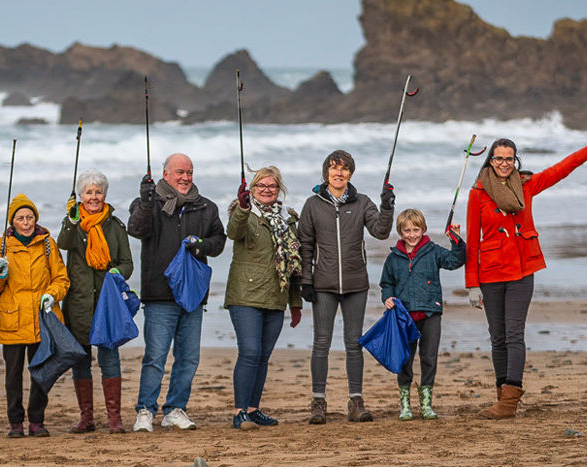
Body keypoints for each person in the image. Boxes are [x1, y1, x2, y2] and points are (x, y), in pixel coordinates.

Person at [467, 128, 587, 419]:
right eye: (499, 159)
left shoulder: (527, 185)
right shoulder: (478, 193)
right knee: (497, 337)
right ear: (490, 161)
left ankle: (509, 401)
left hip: (523, 270)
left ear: (515, 160)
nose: (504, 164)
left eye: (509, 159)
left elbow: (562, 169)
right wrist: (472, 284)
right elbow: (473, 241)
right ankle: (501, 395)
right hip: (492, 273)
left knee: (514, 334)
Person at [127, 153, 226, 432]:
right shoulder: (149, 204)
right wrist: (147, 201)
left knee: (189, 358)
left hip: (193, 296)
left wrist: (200, 245)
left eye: (189, 172)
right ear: (166, 174)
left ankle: (175, 409)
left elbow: (219, 241)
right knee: (155, 357)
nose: (185, 177)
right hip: (159, 294)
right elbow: (136, 229)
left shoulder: (206, 207)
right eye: (180, 172)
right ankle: (145, 410)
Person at [298, 150, 394, 424]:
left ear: (350, 173)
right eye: (334, 168)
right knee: (321, 343)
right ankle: (318, 402)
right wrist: (306, 280)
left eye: (344, 169)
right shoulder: (312, 205)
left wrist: (387, 207)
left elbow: (380, 232)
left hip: (355, 284)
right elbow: (305, 245)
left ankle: (356, 401)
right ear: (326, 172)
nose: (338, 173)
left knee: (354, 343)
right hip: (324, 284)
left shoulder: (362, 202)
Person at [0, 194, 70, 438]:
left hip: (42, 319)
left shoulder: (48, 244)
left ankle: (36, 420)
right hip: (11, 319)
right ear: (13, 222)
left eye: (30, 217)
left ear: (36, 219)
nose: (26, 222)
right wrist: (0, 275)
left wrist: (51, 294)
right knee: (13, 374)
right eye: (21, 218)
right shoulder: (2, 246)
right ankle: (15, 423)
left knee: (41, 372)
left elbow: (61, 279)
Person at [224, 167, 302, 428]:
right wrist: (243, 208)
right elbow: (233, 232)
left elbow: (293, 263)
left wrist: (295, 303)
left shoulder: (287, 218)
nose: (267, 190)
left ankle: (253, 408)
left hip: (276, 296)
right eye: (261, 185)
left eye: (272, 186)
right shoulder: (244, 214)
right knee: (250, 351)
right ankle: (239, 413)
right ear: (252, 189)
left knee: (263, 355)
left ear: (279, 189)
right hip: (245, 295)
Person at [58, 170, 134, 434]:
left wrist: (116, 272)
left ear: (104, 195)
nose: (93, 197)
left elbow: (128, 264)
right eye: (88, 192)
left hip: (107, 304)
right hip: (78, 304)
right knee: (80, 360)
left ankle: (114, 418)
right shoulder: (73, 223)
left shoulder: (116, 226)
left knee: (109, 358)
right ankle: (86, 418)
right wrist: (72, 220)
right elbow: (63, 243)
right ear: (80, 196)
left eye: (98, 192)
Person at [379, 209, 465, 421]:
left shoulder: (433, 251)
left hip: (430, 312)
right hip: (404, 316)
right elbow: (386, 283)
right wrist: (387, 297)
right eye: (407, 231)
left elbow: (455, 261)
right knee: (404, 360)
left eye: (416, 230)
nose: (412, 235)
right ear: (400, 232)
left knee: (429, 358)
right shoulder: (393, 257)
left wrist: (456, 239)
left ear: (423, 229)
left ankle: (426, 404)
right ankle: (405, 405)